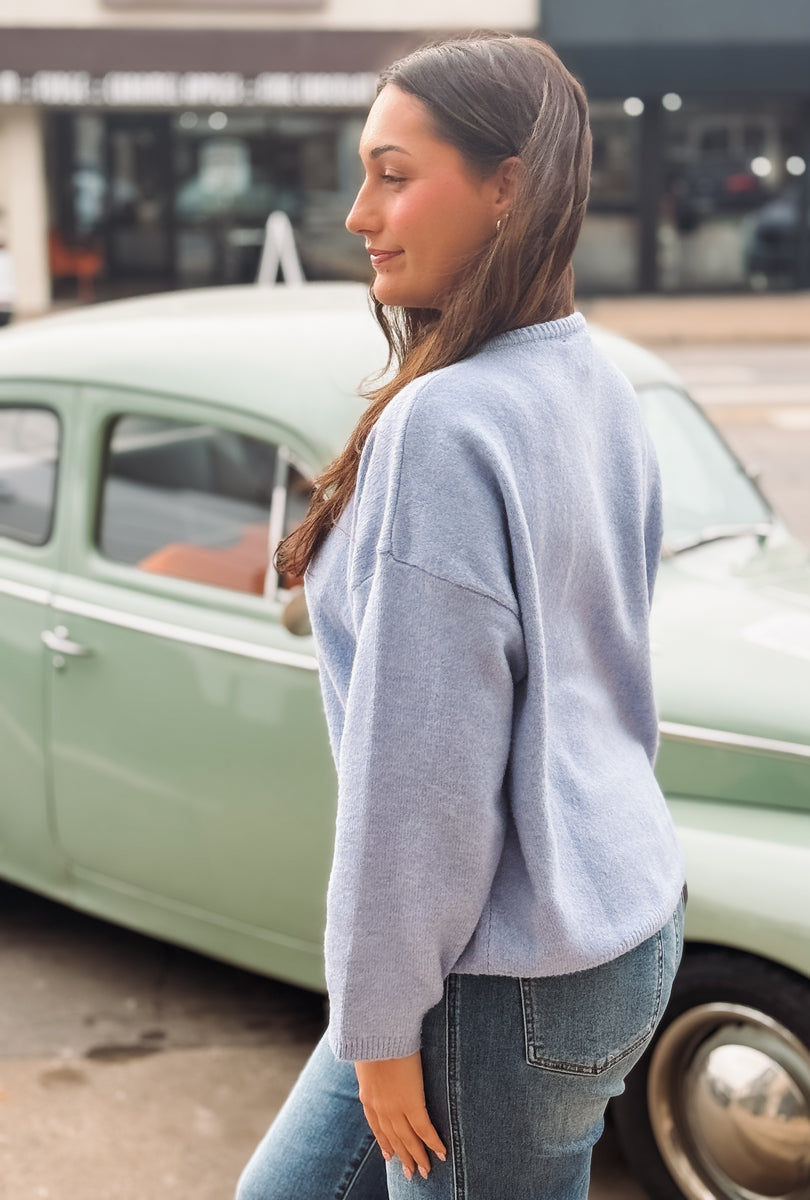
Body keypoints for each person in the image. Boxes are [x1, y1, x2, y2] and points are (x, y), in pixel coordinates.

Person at [236, 31, 685, 1200]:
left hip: (495, 979)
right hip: (615, 921)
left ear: (509, 188)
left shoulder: (448, 425)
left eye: (393, 173)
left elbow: (417, 778)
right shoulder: (593, 381)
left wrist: (381, 1026)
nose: (355, 214)